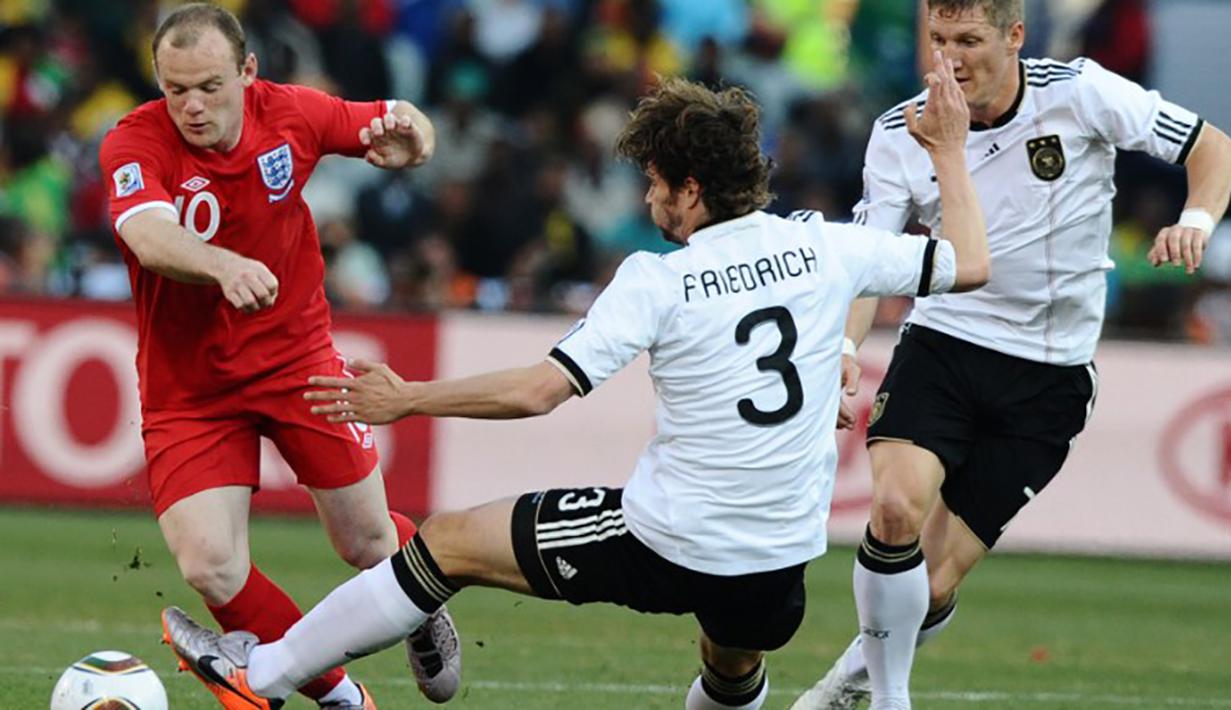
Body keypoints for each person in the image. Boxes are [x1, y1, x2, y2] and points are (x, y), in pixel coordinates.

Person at [158, 60, 989, 710]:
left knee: (445, 542)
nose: (647, 195)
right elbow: (970, 264)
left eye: (655, 182)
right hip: (780, 570)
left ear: (691, 191)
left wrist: (405, 399)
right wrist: (948, 153)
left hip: (669, 544)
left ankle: (261, 676)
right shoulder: (828, 248)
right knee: (732, 666)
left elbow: (537, 392)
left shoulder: (658, 279)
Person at [793, 1, 1231, 708]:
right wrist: (844, 345)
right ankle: (890, 697)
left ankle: (850, 680)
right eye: (937, 39)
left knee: (933, 585)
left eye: (968, 40)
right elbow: (869, 259)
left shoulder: (1078, 91)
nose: (949, 58)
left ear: (1014, 37)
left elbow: (1213, 146)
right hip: (946, 343)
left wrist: (1195, 218)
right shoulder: (899, 131)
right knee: (895, 508)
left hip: (1050, 375)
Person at [97, 5, 462, 708]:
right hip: (190, 391)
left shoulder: (291, 114)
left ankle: (418, 598)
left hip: (297, 362)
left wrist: (415, 136)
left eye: (209, 86)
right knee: (211, 568)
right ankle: (341, 700)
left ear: (248, 72)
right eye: (176, 90)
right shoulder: (133, 143)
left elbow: (396, 115)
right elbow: (147, 234)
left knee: (365, 544)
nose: (192, 107)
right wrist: (221, 265)